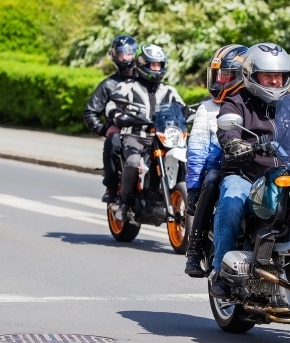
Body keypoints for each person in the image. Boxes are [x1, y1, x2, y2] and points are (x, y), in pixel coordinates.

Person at [210, 42, 290, 298]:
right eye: (267, 76)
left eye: (279, 76)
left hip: (287, 175)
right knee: (232, 201)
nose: (274, 81)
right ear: (251, 75)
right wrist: (235, 143)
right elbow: (228, 130)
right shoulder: (236, 103)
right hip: (247, 175)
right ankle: (221, 273)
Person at [184, 44, 248, 278]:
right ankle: (195, 249)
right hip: (219, 169)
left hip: (251, 168)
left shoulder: (254, 104)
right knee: (211, 179)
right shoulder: (207, 108)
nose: (220, 81)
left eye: (227, 75)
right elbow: (197, 150)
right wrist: (193, 189)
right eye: (218, 75)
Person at [105, 44, 186, 221]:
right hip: (136, 136)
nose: (156, 68)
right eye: (152, 65)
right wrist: (117, 115)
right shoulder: (128, 86)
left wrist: (192, 114)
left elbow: (182, 108)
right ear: (142, 64)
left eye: (159, 65)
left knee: (183, 158)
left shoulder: (169, 90)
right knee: (133, 162)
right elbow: (111, 105)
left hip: (163, 137)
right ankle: (124, 202)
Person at [83, 35, 139, 202]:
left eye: (129, 53)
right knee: (112, 143)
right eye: (121, 54)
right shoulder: (108, 84)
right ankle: (111, 187)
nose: (125, 57)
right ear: (114, 56)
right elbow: (90, 112)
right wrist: (105, 129)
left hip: (144, 130)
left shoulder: (144, 81)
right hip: (120, 131)